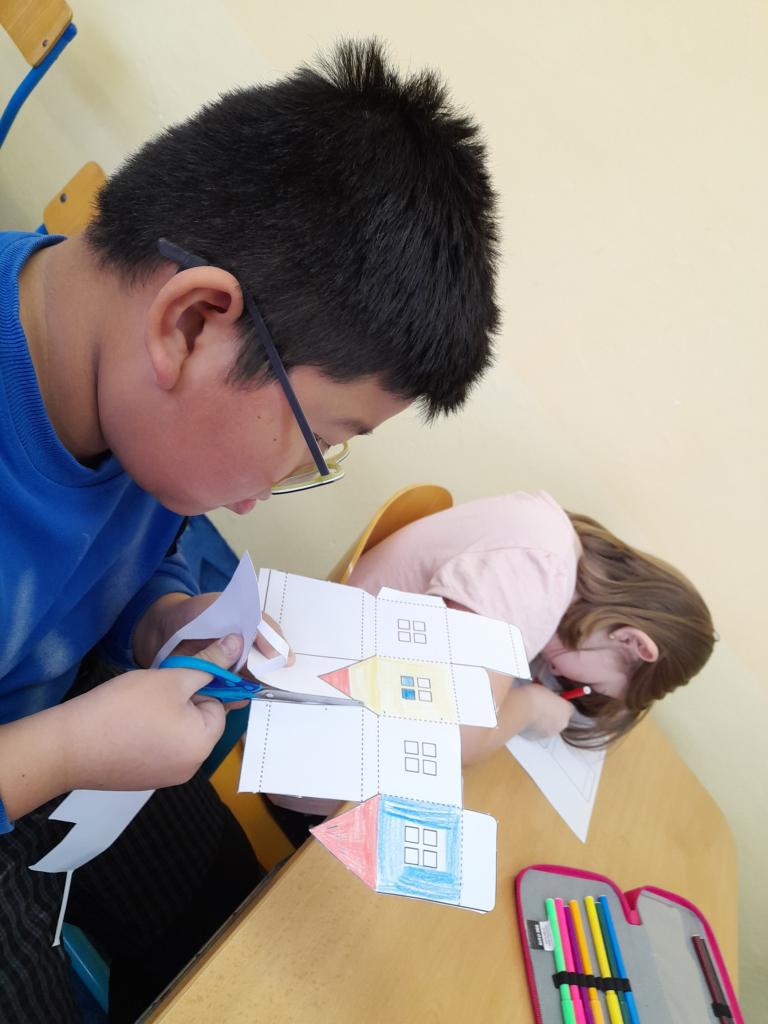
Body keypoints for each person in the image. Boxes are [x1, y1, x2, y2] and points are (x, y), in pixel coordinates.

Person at [0, 39, 499, 1023]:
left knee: (232, 914)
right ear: (191, 323)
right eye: (313, 444)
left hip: (69, 715)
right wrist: (56, 753)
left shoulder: (133, 404)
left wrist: (156, 617)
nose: (261, 497)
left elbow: (124, 556)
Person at [348, 490, 715, 761]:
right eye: (594, 685)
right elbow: (450, 739)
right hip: (343, 706)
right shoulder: (537, 574)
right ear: (633, 641)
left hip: (363, 662)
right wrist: (531, 707)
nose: (564, 677)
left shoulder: (556, 539)